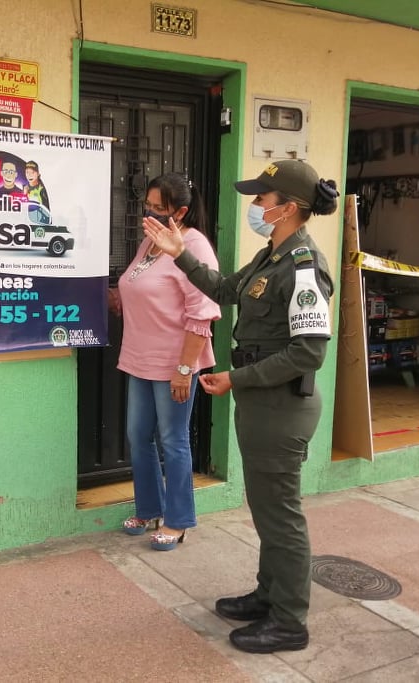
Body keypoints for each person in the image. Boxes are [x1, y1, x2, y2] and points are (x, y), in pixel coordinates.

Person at [144, 159, 339, 653]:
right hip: (261, 404)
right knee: (266, 509)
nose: (255, 205)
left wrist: (236, 378)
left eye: (262, 198)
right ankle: (268, 595)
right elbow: (225, 290)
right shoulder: (270, 256)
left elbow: (309, 353)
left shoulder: (303, 265)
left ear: (288, 208)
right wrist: (181, 254)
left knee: (281, 516)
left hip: (281, 409)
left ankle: (289, 622)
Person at [110, 172, 221, 552]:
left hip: (175, 361)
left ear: (181, 211)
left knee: (173, 441)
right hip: (139, 357)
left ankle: (178, 520)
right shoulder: (149, 242)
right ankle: (149, 509)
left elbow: (202, 311)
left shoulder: (194, 246)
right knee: (138, 437)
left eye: (160, 208)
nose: (151, 213)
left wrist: (185, 370)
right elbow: (142, 288)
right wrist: (115, 298)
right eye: (148, 205)